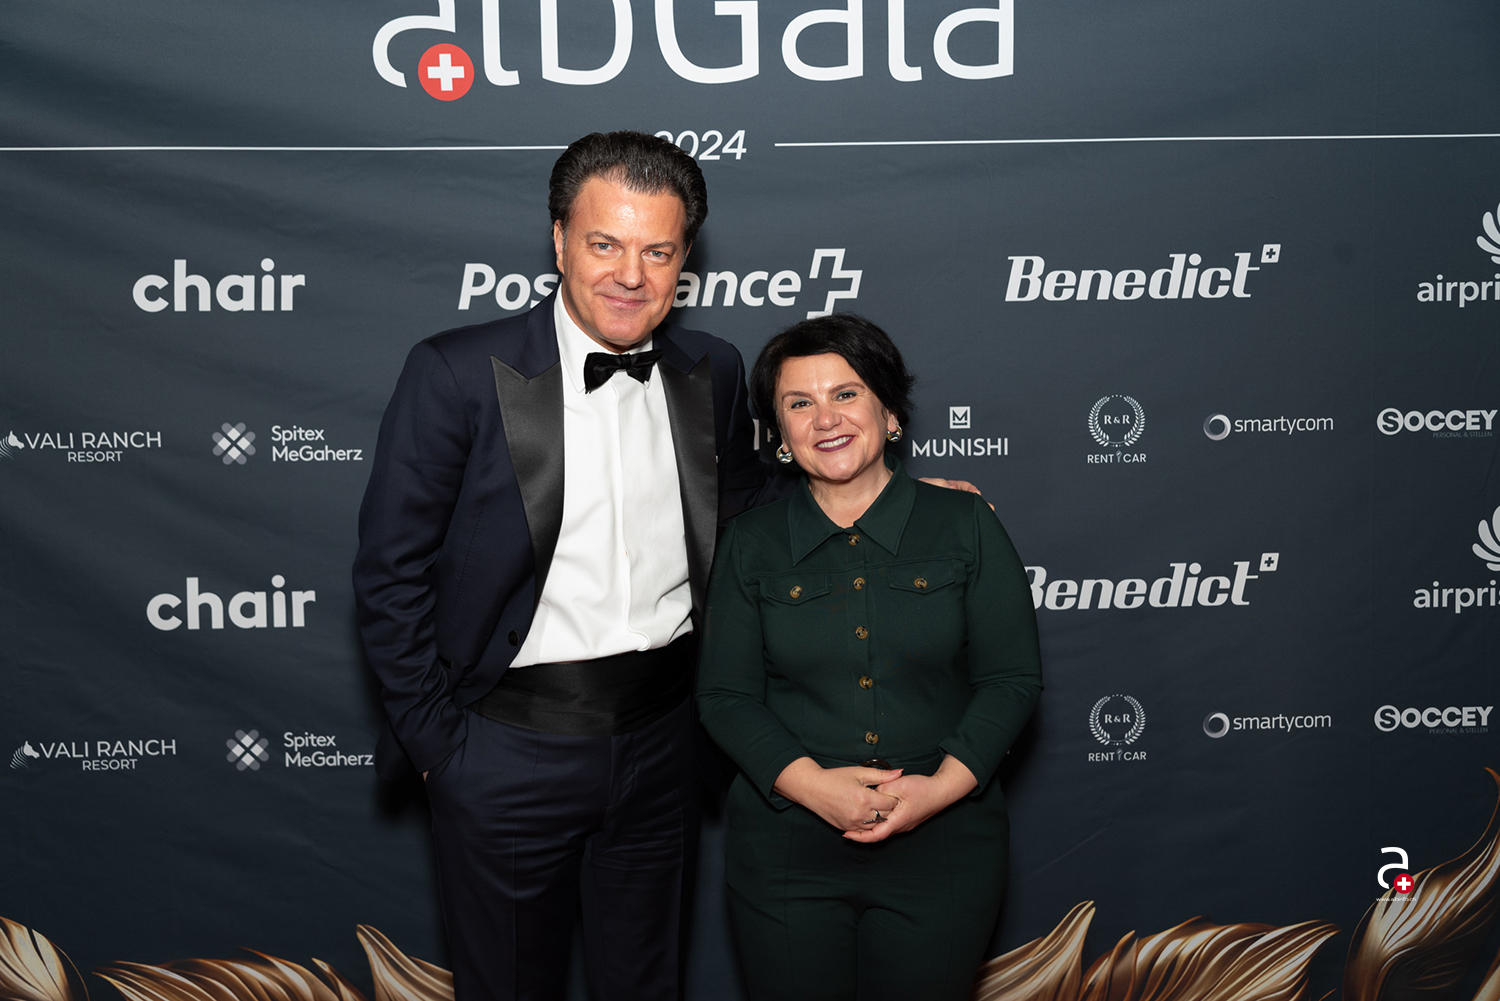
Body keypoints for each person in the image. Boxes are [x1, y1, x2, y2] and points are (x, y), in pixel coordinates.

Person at [354, 130, 983, 1001]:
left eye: (657, 251)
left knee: (648, 985)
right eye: (604, 244)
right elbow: (390, 574)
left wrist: (885, 491)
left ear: (685, 258)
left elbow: (751, 501)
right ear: (559, 241)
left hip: (664, 743)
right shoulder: (457, 372)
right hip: (504, 747)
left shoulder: (711, 368)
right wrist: (442, 752)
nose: (630, 275)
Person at [696, 314, 1043, 1001]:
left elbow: (1011, 680)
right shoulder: (749, 542)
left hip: (944, 846)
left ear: (890, 412)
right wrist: (815, 789)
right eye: (800, 403)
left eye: (846, 394)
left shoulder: (966, 523)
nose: (825, 418)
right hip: (787, 851)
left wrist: (936, 790)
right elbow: (725, 696)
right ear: (780, 433)